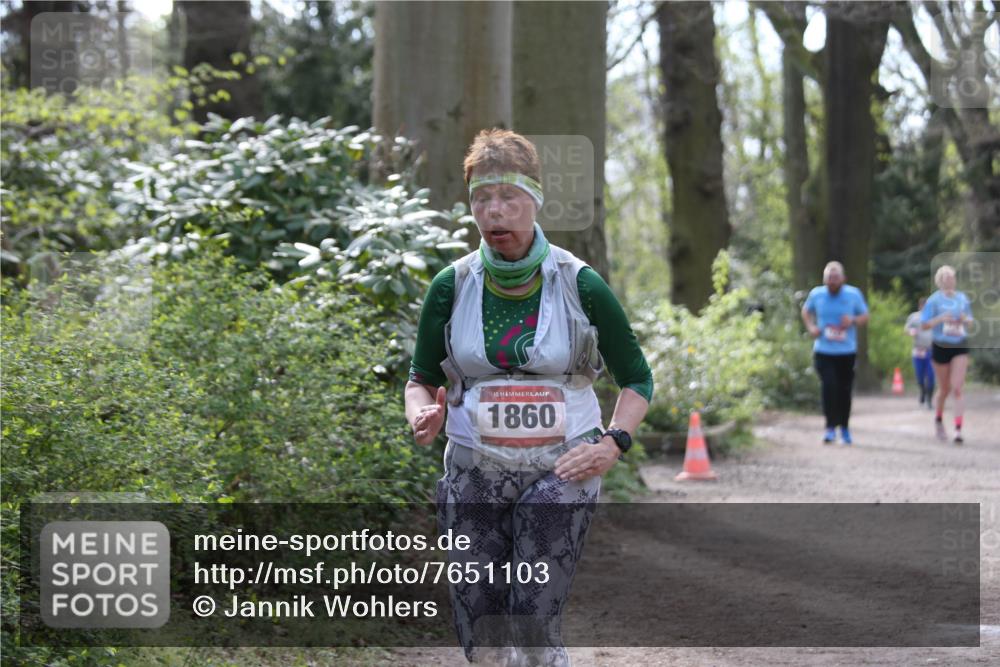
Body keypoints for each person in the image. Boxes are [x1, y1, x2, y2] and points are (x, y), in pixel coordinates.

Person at [404, 128, 653, 666]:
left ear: (535, 200)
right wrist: (421, 413)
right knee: (483, 635)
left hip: (562, 467)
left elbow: (637, 378)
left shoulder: (579, 282)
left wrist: (614, 442)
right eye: (481, 200)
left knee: (534, 622)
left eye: (509, 198)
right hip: (474, 466)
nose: (495, 213)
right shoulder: (451, 285)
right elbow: (420, 376)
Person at [801, 261, 870, 445]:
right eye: (828, 278)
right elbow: (806, 311)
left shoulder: (853, 294)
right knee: (829, 386)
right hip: (823, 350)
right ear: (824, 279)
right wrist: (811, 327)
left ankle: (845, 428)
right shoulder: (817, 294)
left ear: (843, 278)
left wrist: (853, 320)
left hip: (846, 351)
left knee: (844, 390)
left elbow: (865, 316)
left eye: (835, 277)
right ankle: (830, 427)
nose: (832, 281)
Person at [921, 265, 974, 443]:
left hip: (959, 345)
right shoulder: (933, 301)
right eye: (947, 278)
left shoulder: (962, 298)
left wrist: (963, 320)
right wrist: (941, 319)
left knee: (957, 387)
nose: (950, 281)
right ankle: (938, 420)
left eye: (952, 278)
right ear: (940, 281)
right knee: (944, 389)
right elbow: (924, 325)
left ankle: (958, 430)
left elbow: (971, 321)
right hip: (940, 346)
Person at [905, 298, 935, 408]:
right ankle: (922, 391)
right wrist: (911, 331)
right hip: (918, 350)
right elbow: (907, 329)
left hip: (931, 351)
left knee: (931, 376)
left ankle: (929, 400)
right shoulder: (914, 317)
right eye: (923, 306)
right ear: (920, 306)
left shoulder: (934, 318)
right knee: (920, 376)